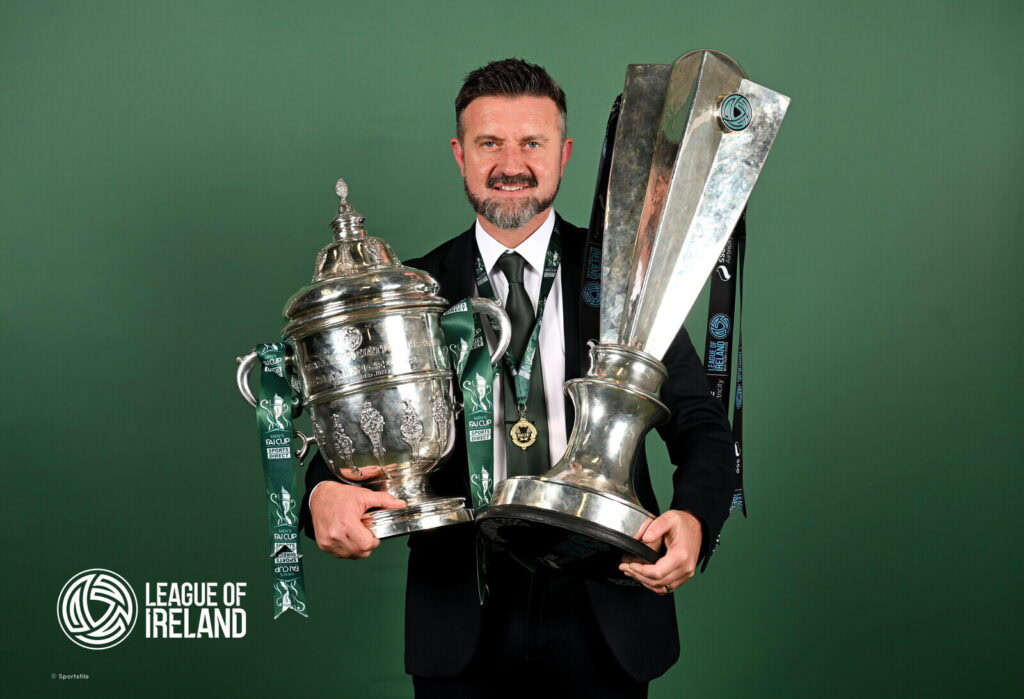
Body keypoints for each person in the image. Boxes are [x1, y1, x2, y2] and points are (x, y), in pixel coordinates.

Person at [299, 58, 735, 698]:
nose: (512, 163)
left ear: (564, 154)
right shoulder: (408, 292)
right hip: (460, 612)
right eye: (489, 143)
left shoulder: (630, 282)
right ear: (459, 154)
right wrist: (319, 496)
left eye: (532, 142)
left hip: (607, 602)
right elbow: (352, 423)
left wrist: (695, 517)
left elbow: (701, 424)